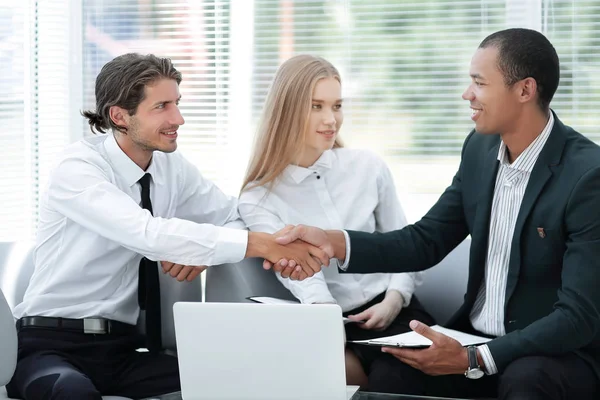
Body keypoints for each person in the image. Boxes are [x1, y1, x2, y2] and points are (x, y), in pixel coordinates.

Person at [268, 28, 600, 400]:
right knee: (394, 373)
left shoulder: (587, 176)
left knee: (525, 379)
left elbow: (578, 317)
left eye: (479, 83)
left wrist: (473, 358)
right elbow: (426, 240)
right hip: (473, 338)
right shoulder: (480, 148)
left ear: (525, 90)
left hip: (552, 355)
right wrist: (333, 243)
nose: (467, 94)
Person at [6, 53, 328, 400]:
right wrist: (261, 244)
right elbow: (145, 233)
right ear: (119, 116)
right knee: (72, 393)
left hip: (122, 352)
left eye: (177, 103)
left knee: (234, 383)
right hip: (49, 344)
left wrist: (205, 254)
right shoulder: (78, 169)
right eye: (161, 106)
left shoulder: (172, 169)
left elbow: (230, 216)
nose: (179, 118)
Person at [238, 54, 435, 392]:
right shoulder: (258, 198)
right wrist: (328, 324)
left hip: (396, 312)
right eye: (316, 106)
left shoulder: (367, 167)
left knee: (394, 378)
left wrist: (394, 298)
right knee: (337, 379)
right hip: (329, 321)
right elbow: (304, 279)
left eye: (337, 106)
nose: (331, 120)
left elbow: (406, 246)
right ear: (286, 111)